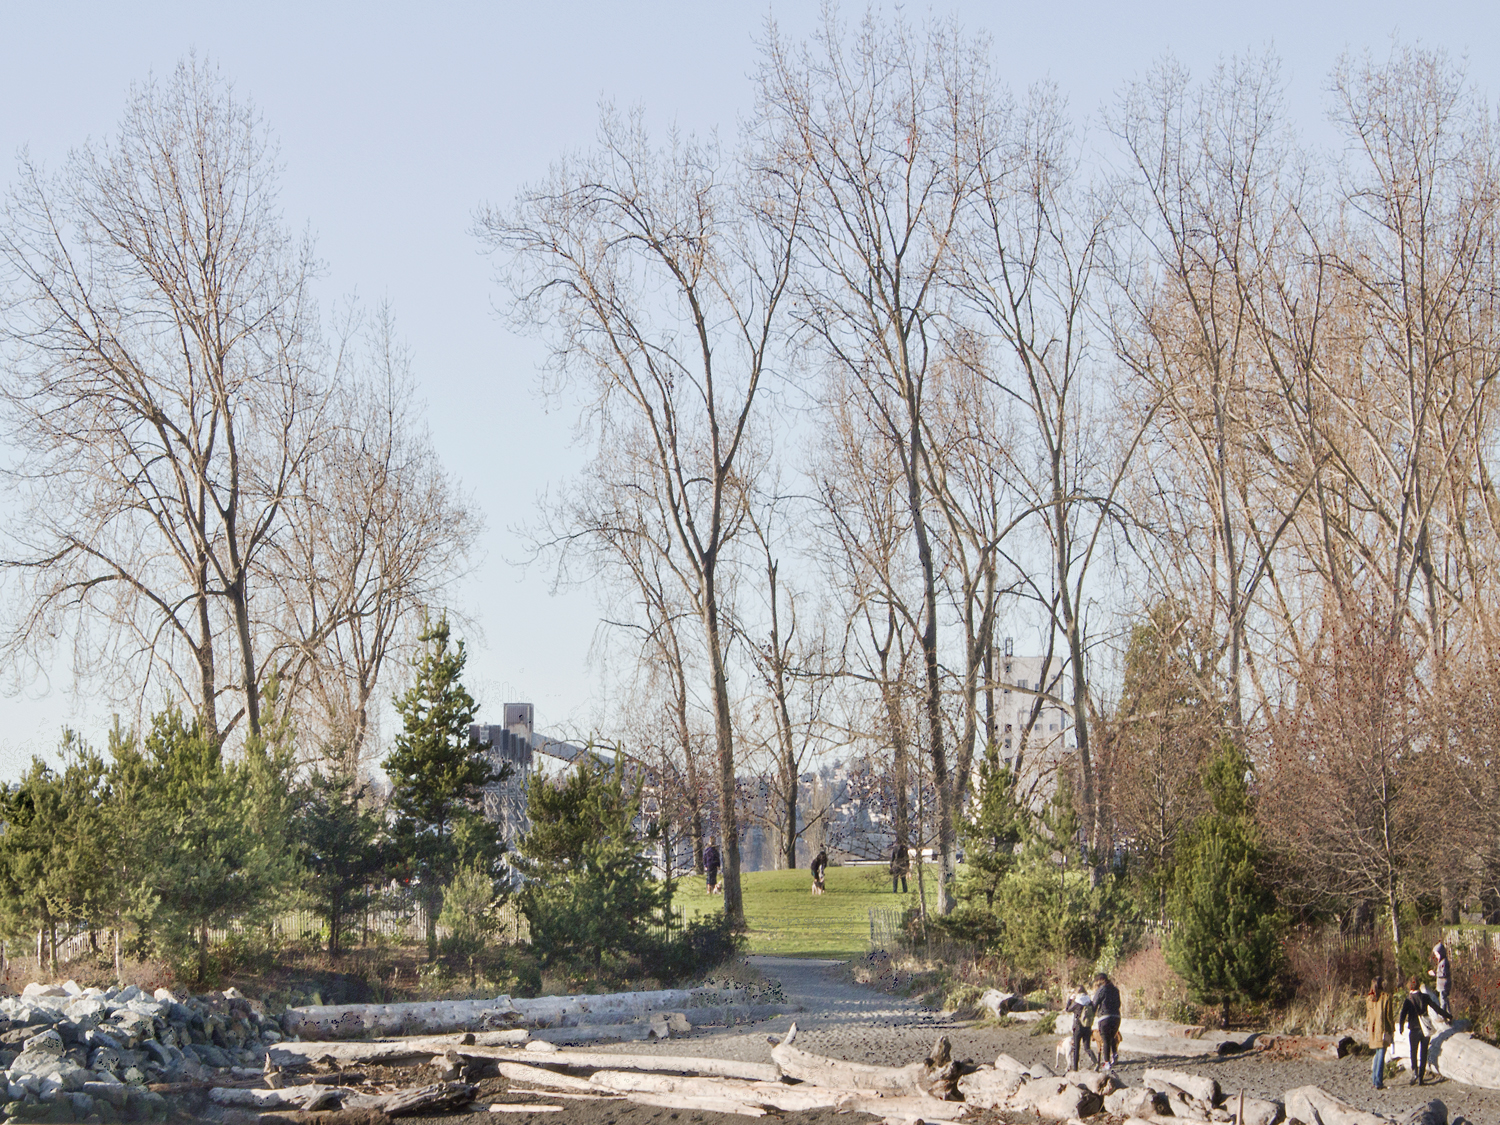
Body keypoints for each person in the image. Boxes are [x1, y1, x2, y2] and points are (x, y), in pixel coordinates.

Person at [1398, 975, 1451, 1086]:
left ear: (1409, 986)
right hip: (1425, 1029)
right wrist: (1448, 1015)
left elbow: (1403, 1014)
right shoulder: (1425, 997)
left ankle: (1414, 1073)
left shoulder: (1408, 999)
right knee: (1423, 1053)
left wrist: (1401, 1026)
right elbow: (1437, 1008)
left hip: (1414, 1028)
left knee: (1413, 1052)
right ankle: (1421, 1078)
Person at [1366, 976, 1396, 1090]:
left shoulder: (1369, 999)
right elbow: (1389, 1016)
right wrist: (1392, 1029)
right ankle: (1378, 1081)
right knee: (1381, 1055)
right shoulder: (1386, 997)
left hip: (1373, 1030)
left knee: (1377, 1054)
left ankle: (1374, 1080)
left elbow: (1368, 1016)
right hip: (1383, 1029)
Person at [1064, 984, 1098, 1073]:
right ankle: (1095, 1062)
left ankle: (1075, 1069)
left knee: (1076, 1048)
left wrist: (1070, 999)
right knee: (1087, 1047)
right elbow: (1094, 1011)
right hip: (1087, 1027)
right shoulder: (1089, 1001)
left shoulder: (1077, 1002)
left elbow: (1067, 1009)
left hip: (1078, 1027)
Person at [1091, 972, 1121, 1072]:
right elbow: (1119, 1004)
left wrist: (1091, 1015)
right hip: (1116, 1017)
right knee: (1112, 1036)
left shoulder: (1101, 989)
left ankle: (1107, 1063)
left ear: (1099, 981)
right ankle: (1115, 1054)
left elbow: (1094, 1004)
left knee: (1105, 1040)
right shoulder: (1116, 990)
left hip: (1104, 1017)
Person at [1430, 942, 1452, 1013]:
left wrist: (1435, 973)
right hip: (1442, 986)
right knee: (1445, 1000)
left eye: (1437, 954)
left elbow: (1443, 973)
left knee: (1443, 1001)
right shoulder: (1441, 962)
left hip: (1444, 986)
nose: (1436, 956)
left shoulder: (1444, 962)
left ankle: (1443, 1015)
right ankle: (1448, 1015)